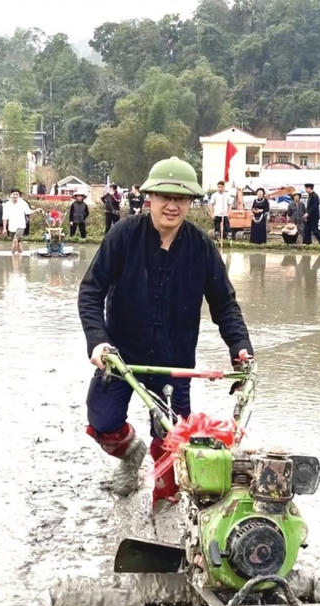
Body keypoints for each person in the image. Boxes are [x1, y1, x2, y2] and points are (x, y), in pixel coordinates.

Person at [77, 156, 253, 503]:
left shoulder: (201, 248)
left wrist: (240, 346)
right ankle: (130, 454)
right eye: (164, 197)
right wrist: (98, 342)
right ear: (150, 198)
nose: (172, 206)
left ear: (190, 203)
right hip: (121, 359)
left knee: (172, 442)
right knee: (103, 422)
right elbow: (91, 291)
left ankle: (165, 513)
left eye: (181, 199)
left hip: (174, 361)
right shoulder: (124, 235)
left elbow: (224, 304)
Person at [3, 188, 33, 254]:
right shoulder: (7, 205)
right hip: (12, 226)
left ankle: (13, 259)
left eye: (17, 194)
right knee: (19, 243)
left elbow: (28, 212)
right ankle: (20, 256)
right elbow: (5, 217)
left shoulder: (23, 203)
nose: (15, 196)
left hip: (21, 225)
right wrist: (4, 228)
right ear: (10, 195)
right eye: (14, 194)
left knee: (15, 240)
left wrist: (36, 211)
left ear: (19, 196)